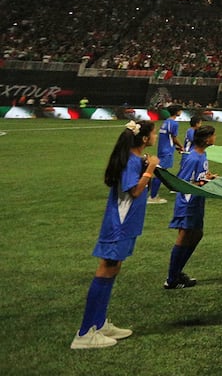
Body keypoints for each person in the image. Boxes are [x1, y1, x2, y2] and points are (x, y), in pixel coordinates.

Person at [72, 120, 157, 350]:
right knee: (105, 270)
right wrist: (150, 170)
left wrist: (147, 166)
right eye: (154, 133)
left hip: (126, 225)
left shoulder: (134, 159)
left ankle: (98, 325)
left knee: (113, 269)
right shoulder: (131, 161)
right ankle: (84, 333)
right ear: (144, 138)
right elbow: (135, 190)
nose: (156, 136)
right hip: (118, 225)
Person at [165, 123, 216, 290]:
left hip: (197, 201)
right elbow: (183, 182)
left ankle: (177, 272)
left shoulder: (203, 155)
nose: (215, 138)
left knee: (197, 234)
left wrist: (208, 177)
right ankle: (172, 278)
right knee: (185, 236)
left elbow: (199, 176)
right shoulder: (193, 157)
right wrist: (202, 182)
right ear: (207, 139)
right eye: (213, 135)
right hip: (188, 202)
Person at [150, 107, 179, 204]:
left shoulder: (166, 122)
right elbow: (174, 138)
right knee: (160, 173)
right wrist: (181, 146)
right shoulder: (174, 123)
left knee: (160, 172)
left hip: (162, 149)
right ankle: (152, 197)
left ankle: (153, 195)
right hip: (167, 151)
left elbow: (169, 137)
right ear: (178, 112)